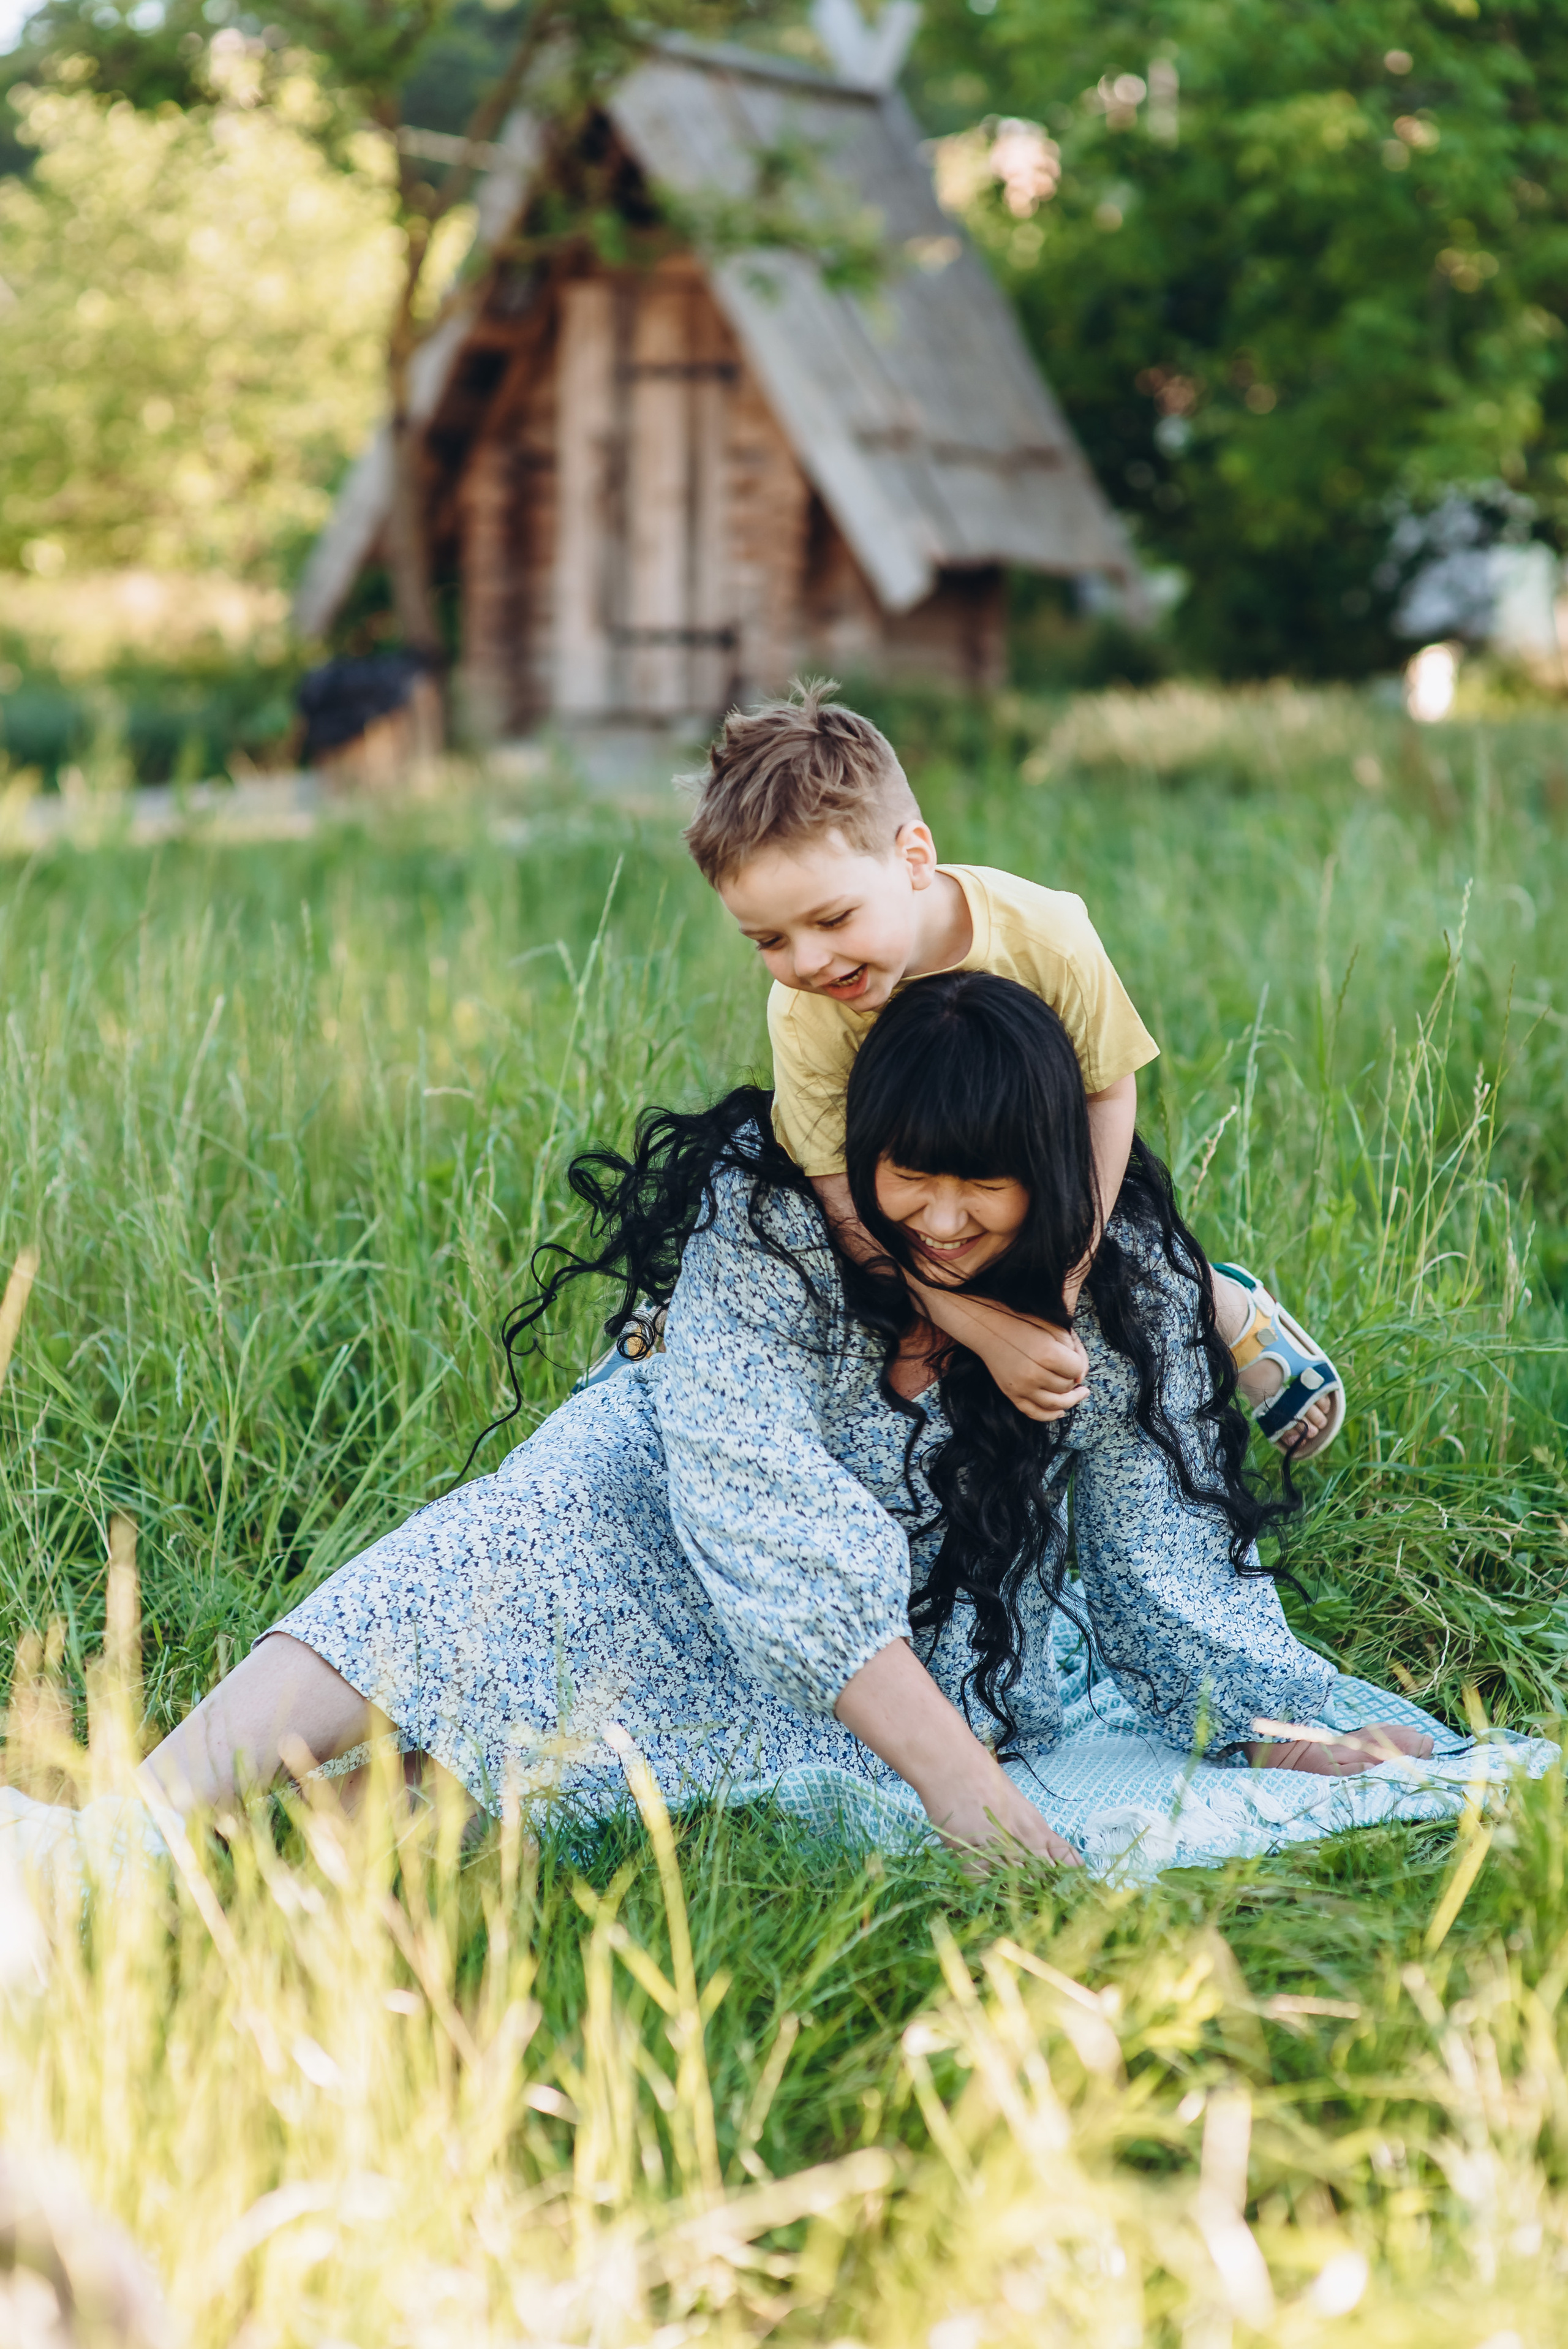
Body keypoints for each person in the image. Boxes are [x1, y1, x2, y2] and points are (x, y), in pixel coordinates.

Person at [101, 972, 1504, 1886]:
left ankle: (274, 1866)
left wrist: (1266, 1728)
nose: (944, 1219)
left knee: (418, 1825)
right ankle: (129, 1825)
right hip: (674, 1507)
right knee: (503, 1533)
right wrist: (963, 1794)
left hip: (904, 1630)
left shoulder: (1113, 1288)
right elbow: (751, 1502)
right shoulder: (769, 1218)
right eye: (913, 1180)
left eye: (986, 1192)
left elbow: (1158, 1561)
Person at [680, 678, 1343, 1461]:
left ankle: (1208, 1292)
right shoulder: (803, 1010)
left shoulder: (1045, 933)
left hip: (1043, 1160)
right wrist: (976, 1324)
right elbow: (837, 1193)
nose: (809, 961)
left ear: (914, 858)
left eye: (833, 919)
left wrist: (1064, 1280)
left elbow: (1106, 1094)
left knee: (1108, 1241)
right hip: (895, 1193)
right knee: (799, 1253)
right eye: (768, 941)